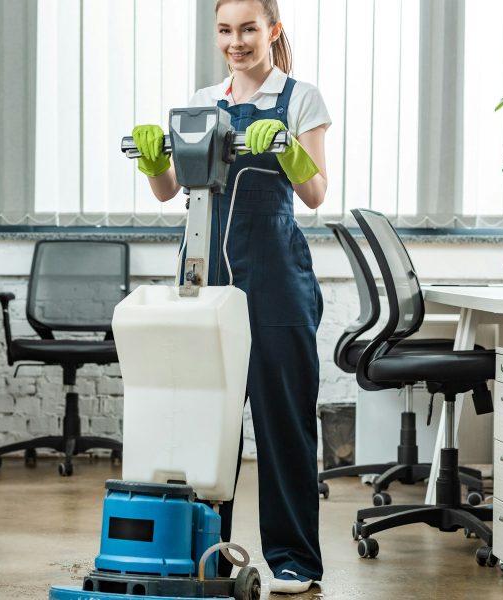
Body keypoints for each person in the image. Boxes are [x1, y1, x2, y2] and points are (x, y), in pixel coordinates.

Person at [131, 0, 330, 594]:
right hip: (204, 277)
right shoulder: (199, 100)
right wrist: (152, 160)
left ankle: (294, 560)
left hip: (275, 281)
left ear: (272, 31)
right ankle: (205, 556)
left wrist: (289, 149)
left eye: (248, 29)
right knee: (200, 420)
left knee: (282, 425)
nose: (236, 41)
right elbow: (170, 191)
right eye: (225, 30)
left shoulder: (301, 98)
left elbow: (317, 191)